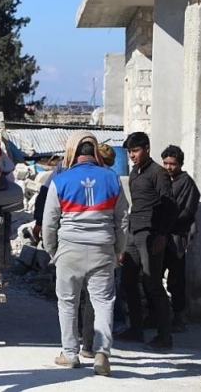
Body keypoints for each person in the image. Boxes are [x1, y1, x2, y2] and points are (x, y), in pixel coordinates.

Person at [43, 132, 127, 376]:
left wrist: (53, 251)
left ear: (73, 153)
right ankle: (102, 353)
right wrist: (118, 249)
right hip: (103, 248)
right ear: (96, 154)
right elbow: (122, 220)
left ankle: (70, 354)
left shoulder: (61, 180)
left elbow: (49, 222)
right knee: (103, 302)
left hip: (69, 248)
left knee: (68, 302)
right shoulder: (112, 179)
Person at [115, 131, 178, 351]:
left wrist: (162, 235)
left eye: (135, 151)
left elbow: (170, 206)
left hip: (151, 235)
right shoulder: (135, 172)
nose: (132, 155)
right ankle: (136, 330)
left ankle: (165, 337)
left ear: (147, 149)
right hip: (134, 232)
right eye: (129, 152)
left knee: (152, 284)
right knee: (128, 282)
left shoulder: (158, 173)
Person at [161, 145, 201, 333]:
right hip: (160, 237)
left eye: (173, 164)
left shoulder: (187, 184)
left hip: (177, 239)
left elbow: (186, 211)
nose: (169, 167)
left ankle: (178, 317)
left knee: (176, 281)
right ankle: (157, 314)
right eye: (166, 163)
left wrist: (167, 223)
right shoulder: (162, 180)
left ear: (180, 164)